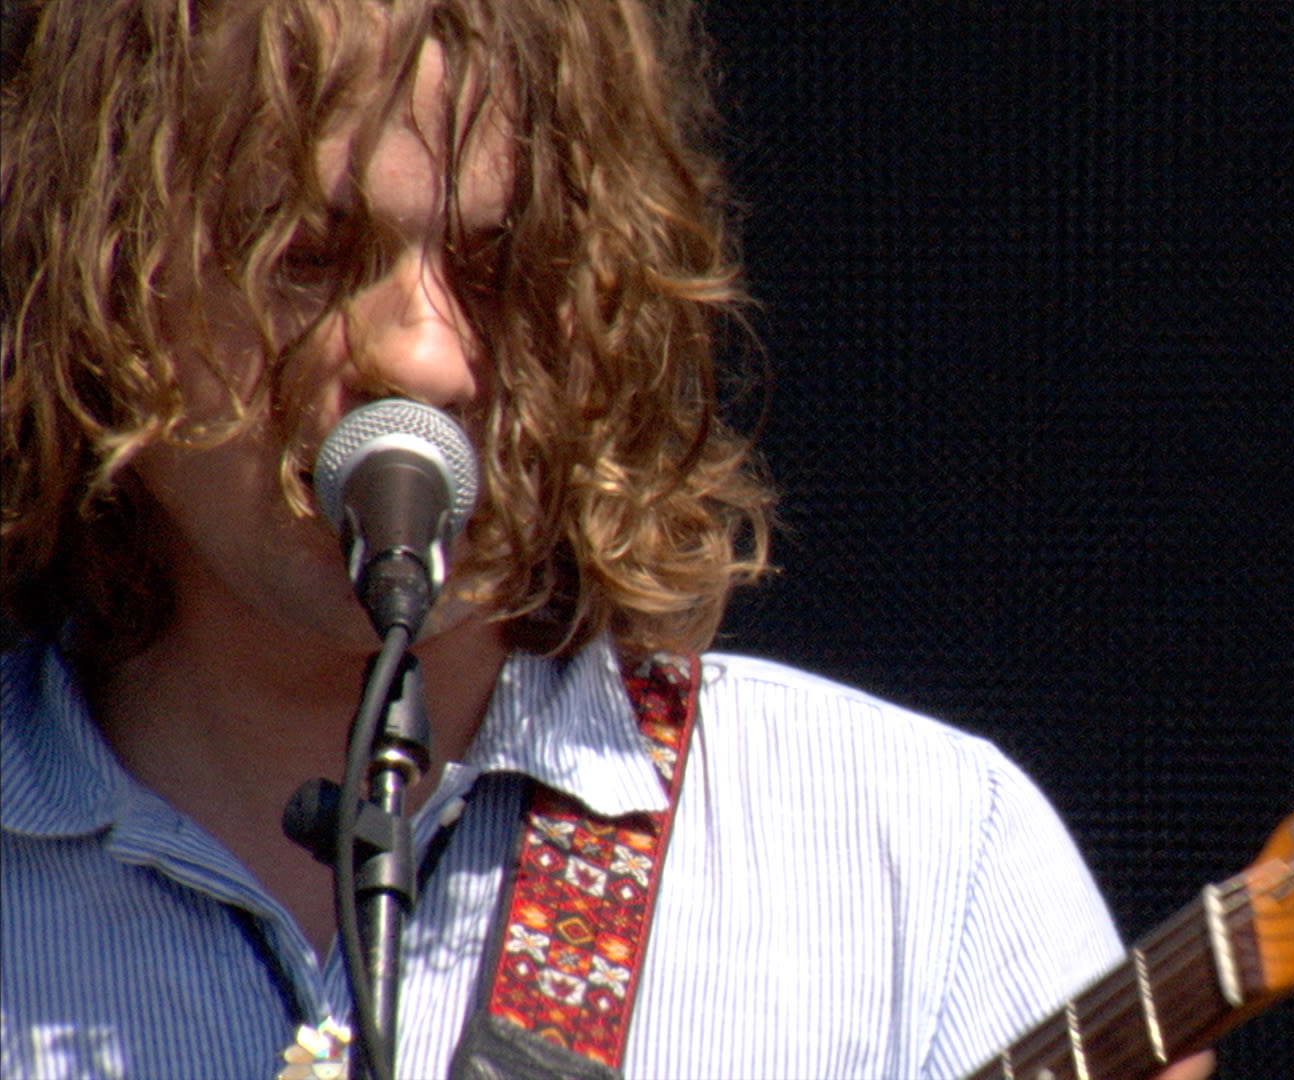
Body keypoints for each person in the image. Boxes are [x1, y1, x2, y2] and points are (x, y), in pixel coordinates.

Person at [0, 1, 1214, 1078]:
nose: (422, 357)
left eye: (499, 264)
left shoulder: (927, 875)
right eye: (308, 260)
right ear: (106, 274)